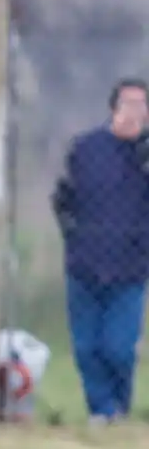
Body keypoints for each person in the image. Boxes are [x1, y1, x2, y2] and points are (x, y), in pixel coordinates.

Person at [52, 79, 149, 423]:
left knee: (120, 349)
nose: (135, 112)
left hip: (130, 268)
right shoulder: (86, 149)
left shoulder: (146, 154)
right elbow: (63, 198)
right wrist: (74, 237)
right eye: (128, 103)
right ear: (113, 108)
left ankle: (117, 408)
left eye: (142, 105)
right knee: (87, 348)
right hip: (85, 264)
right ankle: (102, 410)